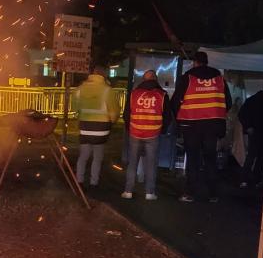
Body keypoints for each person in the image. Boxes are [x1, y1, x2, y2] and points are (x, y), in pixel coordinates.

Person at [171, 51, 232, 202]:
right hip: (213, 126)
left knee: (193, 159)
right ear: (206, 62)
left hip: (191, 125)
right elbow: (228, 103)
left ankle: (190, 192)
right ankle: (213, 194)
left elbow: (175, 101)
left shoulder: (188, 78)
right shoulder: (219, 79)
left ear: (195, 62)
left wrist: (179, 119)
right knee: (210, 158)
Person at [121, 70, 171, 200]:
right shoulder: (163, 95)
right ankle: (149, 193)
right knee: (151, 164)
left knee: (132, 163)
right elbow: (167, 117)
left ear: (144, 80)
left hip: (135, 133)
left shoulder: (134, 94)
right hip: (153, 134)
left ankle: (128, 191)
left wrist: (129, 129)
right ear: (155, 79)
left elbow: (126, 114)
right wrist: (163, 130)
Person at [73, 66, 120, 189]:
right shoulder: (107, 90)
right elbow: (114, 111)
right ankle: (94, 182)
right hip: (101, 128)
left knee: (83, 155)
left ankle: (79, 181)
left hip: (84, 126)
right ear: (104, 75)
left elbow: (75, 107)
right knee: (97, 157)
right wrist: (112, 121)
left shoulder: (80, 88)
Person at [238, 80, 263, 188]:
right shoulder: (253, 100)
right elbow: (242, 114)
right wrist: (248, 127)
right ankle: (245, 179)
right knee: (252, 156)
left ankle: (255, 179)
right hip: (256, 131)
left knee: (261, 157)